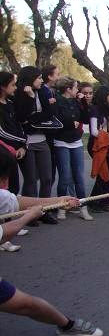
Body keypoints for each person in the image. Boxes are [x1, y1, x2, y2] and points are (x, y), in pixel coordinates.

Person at [0, 148, 102, 336]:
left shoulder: (2, 195)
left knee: (26, 304)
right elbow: (5, 232)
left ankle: (67, 326)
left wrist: (60, 201)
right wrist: (29, 217)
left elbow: (20, 202)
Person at [13, 66, 57, 225]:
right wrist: (30, 98)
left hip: (42, 139)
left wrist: (33, 120)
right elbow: (21, 117)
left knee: (47, 178)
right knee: (31, 179)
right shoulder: (19, 94)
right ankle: (29, 214)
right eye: (38, 78)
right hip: (27, 142)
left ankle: (43, 211)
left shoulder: (43, 92)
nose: (42, 80)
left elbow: (48, 113)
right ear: (30, 79)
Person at [53, 77, 93, 221]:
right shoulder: (56, 101)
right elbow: (57, 120)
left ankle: (83, 207)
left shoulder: (77, 101)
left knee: (79, 177)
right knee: (64, 177)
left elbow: (86, 118)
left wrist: (83, 101)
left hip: (76, 141)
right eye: (76, 87)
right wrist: (71, 123)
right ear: (68, 89)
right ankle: (62, 207)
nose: (78, 90)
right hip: (61, 142)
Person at [0, 72, 26, 195]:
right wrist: (23, 141)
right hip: (3, 153)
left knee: (14, 188)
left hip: (13, 152)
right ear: (3, 87)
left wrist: (22, 146)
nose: (15, 87)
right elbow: (3, 132)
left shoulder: (10, 103)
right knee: (5, 189)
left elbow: (19, 125)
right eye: (13, 85)